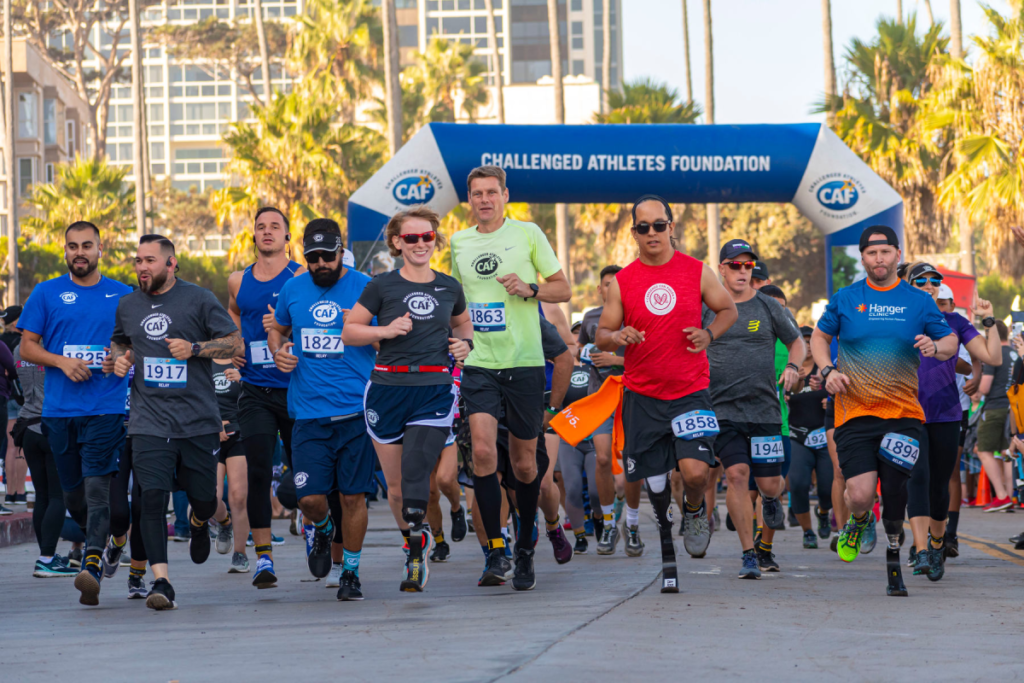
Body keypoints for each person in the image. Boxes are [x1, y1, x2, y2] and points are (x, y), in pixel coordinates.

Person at [596, 195, 738, 593]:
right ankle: (666, 554)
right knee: (654, 484)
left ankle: (693, 509)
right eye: (644, 227)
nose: (652, 233)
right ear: (634, 233)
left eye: (659, 225)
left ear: (671, 226)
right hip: (642, 397)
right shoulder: (623, 280)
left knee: (695, 473)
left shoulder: (697, 271)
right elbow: (602, 333)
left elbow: (728, 310)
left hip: (690, 391)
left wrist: (709, 333)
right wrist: (617, 335)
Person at [811, 226, 956, 597]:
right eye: (872, 253)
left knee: (895, 491)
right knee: (859, 494)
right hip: (854, 413)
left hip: (903, 414)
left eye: (886, 252)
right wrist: (827, 370)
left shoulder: (919, 300)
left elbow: (950, 340)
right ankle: (859, 521)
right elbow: (819, 337)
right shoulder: (846, 298)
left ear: (896, 254)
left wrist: (936, 347)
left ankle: (894, 559)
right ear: (863, 258)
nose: (879, 259)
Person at [449, 165, 571, 591]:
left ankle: (524, 547)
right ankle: (496, 549)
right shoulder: (458, 243)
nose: (484, 199)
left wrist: (530, 288)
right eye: (477, 193)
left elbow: (564, 288)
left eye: (491, 192)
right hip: (479, 363)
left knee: (523, 465)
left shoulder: (529, 234)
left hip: (523, 362)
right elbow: (454, 302)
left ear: (505, 195)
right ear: (469, 199)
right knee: (482, 453)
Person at [109, 234, 243, 610]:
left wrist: (195, 348)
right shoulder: (128, 305)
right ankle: (162, 582)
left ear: (171, 264)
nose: (141, 267)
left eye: (150, 260)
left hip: (198, 423)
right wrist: (121, 358)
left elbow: (235, 344)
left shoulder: (198, 298)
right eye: (138, 261)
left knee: (203, 500)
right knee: (150, 498)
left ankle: (205, 520)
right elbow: (120, 342)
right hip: (149, 422)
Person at [342, 207, 472, 592]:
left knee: (417, 468)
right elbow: (350, 332)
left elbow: (464, 325)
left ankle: (417, 553)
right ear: (397, 243)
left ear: (436, 240)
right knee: (396, 487)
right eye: (411, 238)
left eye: (427, 237)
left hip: (433, 389)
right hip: (386, 390)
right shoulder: (381, 286)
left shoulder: (449, 286)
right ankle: (413, 538)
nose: (420, 244)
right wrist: (386, 328)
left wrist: (464, 344)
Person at [18, 221, 132, 605]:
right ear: (64, 250)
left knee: (98, 488)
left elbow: (135, 347)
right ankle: (107, 543)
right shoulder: (46, 293)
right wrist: (62, 361)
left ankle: (93, 564)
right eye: (72, 246)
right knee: (75, 499)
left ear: (102, 248)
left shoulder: (123, 294)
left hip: (106, 408)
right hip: (59, 413)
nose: (79, 252)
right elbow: (27, 348)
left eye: (87, 245)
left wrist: (119, 357)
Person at [269, 218, 377, 601]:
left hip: (355, 413)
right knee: (310, 499)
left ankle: (350, 571)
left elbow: (387, 344)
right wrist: (278, 351)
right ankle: (323, 528)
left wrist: (362, 329)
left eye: (327, 256)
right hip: (309, 414)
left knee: (353, 497)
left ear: (340, 251)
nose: (320, 264)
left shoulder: (366, 286)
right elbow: (278, 330)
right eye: (312, 257)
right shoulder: (292, 288)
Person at [702, 241, 804, 578]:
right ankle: (748, 554)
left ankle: (769, 512)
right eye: (735, 265)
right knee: (736, 475)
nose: (742, 271)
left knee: (770, 485)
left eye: (748, 266)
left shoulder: (768, 306)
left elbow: (797, 341)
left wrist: (793, 366)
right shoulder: (705, 308)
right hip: (722, 411)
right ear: (722, 269)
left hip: (764, 412)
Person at [902, 263, 1002, 581]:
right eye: (921, 280)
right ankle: (921, 550)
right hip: (907, 412)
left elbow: (993, 357)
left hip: (946, 412)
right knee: (916, 478)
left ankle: (936, 542)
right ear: (907, 284)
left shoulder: (954, 321)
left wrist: (989, 321)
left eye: (935, 281)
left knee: (939, 484)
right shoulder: (895, 320)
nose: (929, 284)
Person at [226, 206, 304, 588]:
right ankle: (263, 559)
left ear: (288, 236)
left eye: (276, 226)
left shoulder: (302, 275)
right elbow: (234, 312)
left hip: (299, 387)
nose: (268, 231)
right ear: (253, 236)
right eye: (261, 227)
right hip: (256, 387)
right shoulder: (238, 280)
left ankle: (314, 520)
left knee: (306, 472)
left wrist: (284, 327)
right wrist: (236, 340)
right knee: (257, 470)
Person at [576, 265, 634, 554]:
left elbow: (652, 358)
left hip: (633, 397)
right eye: (607, 284)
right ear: (599, 289)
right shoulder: (590, 318)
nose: (611, 288)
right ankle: (609, 524)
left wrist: (618, 361)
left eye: (617, 284)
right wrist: (583, 353)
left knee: (627, 473)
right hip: (599, 397)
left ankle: (630, 522)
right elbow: (579, 349)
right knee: (601, 460)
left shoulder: (638, 314)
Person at [15, 343, 75, 576]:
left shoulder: (20, 349)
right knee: (57, 495)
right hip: (52, 424)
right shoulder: (55, 348)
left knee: (41, 495)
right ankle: (47, 558)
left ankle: (46, 556)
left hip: (27, 425)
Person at [786, 326, 833, 549]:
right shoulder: (790, 369)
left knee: (826, 488)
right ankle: (807, 531)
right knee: (798, 484)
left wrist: (830, 400)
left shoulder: (825, 369)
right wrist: (792, 387)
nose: (806, 346)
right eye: (801, 342)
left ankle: (823, 511)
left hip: (824, 437)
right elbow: (782, 394)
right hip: (797, 436)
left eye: (809, 341)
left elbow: (841, 390)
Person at [210, 358, 251, 572]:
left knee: (238, 496)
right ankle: (224, 523)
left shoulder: (242, 361)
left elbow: (259, 398)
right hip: (211, 435)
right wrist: (214, 423)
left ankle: (240, 554)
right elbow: (194, 398)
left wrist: (244, 380)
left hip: (239, 434)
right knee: (211, 498)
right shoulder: (203, 360)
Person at [975, 320, 1016, 512]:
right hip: (1014, 408)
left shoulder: (994, 354)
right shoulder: (1016, 353)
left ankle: (1001, 496)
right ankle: (1010, 496)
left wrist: (974, 390)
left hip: (995, 408)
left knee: (983, 450)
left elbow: (984, 387)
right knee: (1007, 452)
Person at [1, 305, 25, 508]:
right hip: (23, 398)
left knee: (10, 447)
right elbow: (15, 369)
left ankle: (9, 494)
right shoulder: (25, 341)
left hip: (7, 396)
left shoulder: (2, 340)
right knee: (21, 446)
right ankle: (21, 491)